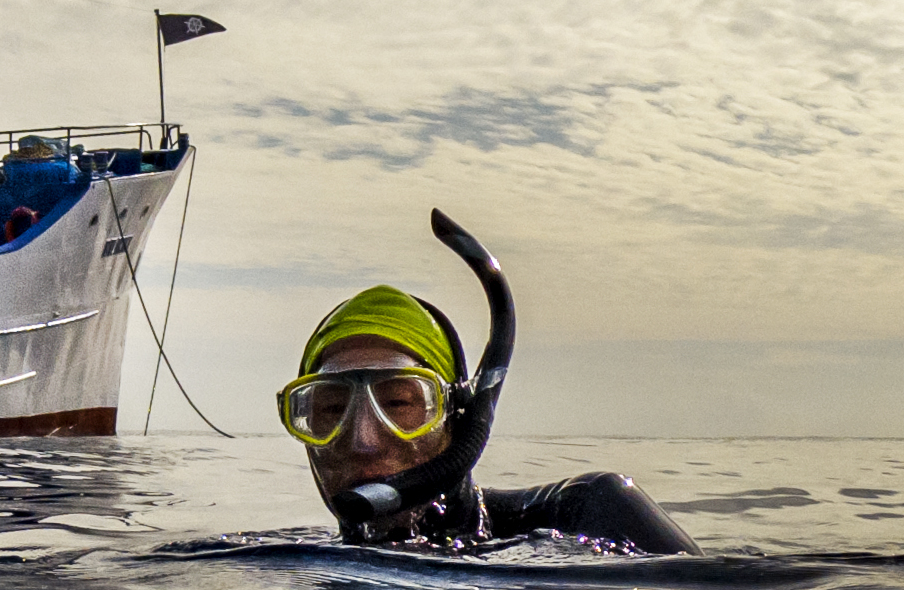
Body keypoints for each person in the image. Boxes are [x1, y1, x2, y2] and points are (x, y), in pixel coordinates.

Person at [281, 216, 687, 553]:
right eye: (330, 410)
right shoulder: (283, 566)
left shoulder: (589, 514)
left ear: (459, 420)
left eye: (400, 403)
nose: (363, 440)